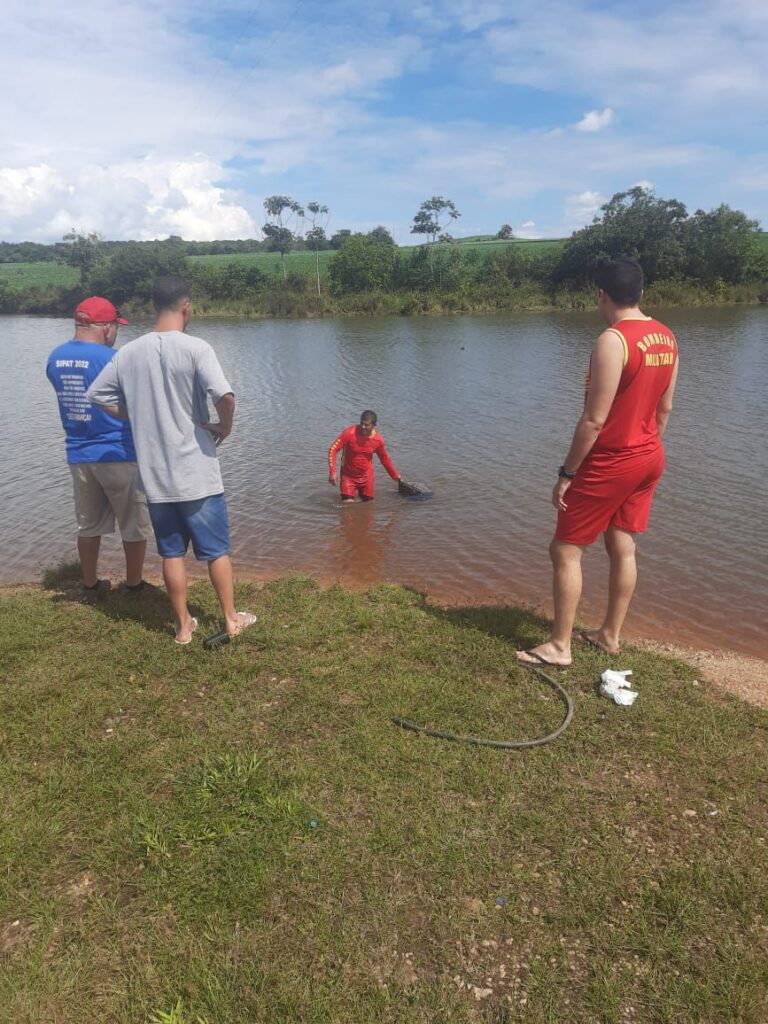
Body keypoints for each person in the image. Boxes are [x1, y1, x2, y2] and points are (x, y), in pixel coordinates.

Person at [517, 256, 679, 668]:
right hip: (649, 456)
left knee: (565, 550)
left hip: (612, 459)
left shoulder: (614, 340)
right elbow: (665, 410)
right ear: (641, 292)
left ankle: (559, 646)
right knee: (622, 543)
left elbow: (593, 420)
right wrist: (643, 453)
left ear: (601, 295)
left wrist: (567, 473)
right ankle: (609, 635)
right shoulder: (666, 336)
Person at [86, 276, 256, 645]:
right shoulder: (196, 348)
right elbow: (225, 396)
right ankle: (231, 619)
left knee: (172, 553)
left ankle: (183, 628)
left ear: (154, 306)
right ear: (186, 307)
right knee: (217, 552)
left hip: (156, 477)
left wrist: (133, 415)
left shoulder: (129, 352)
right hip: (197, 473)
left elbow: (96, 394)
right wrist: (223, 426)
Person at [46, 296, 152, 596]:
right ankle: (134, 585)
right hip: (118, 451)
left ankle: (90, 584)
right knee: (133, 524)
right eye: (115, 326)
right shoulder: (112, 359)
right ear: (105, 328)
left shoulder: (55, 357)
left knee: (88, 525)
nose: (116, 332)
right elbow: (137, 401)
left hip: (78, 453)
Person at [328, 411, 401, 502]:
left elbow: (384, 459)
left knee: (368, 505)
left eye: (366, 425)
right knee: (347, 507)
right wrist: (332, 472)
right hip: (348, 476)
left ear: (374, 425)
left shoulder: (378, 440)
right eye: (361, 424)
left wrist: (394, 474)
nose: (363, 427)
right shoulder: (349, 433)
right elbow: (333, 449)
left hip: (367, 477)